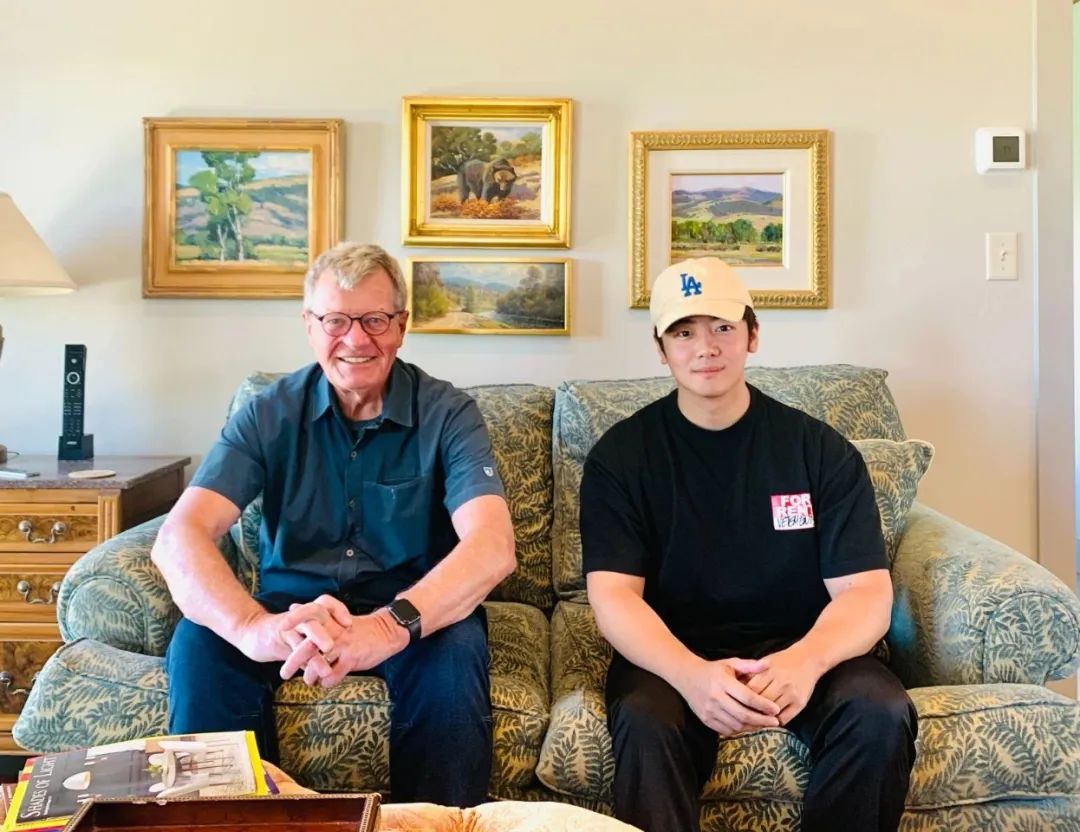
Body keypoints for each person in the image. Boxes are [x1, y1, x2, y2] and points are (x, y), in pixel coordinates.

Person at [153, 242, 516, 807]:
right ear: (309, 325)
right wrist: (251, 627)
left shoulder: (448, 413)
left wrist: (387, 628)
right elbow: (180, 535)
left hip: (413, 611)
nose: (356, 339)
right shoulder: (267, 412)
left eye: (375, 320)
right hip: (289, 609)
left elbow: (492, 545)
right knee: (200, 643)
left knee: (455, 651)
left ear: (401, 326)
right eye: (336, 321)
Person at [580, 257, 917, 832]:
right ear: (661, 349)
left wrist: (804, 662)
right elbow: (613, 596)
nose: (705, 347)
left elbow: (865, 591)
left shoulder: (818, 450)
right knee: (644, 721)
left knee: (880, 712)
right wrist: (692, 676)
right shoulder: (622, 456)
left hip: (802, 643)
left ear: (752, 335)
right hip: (675, 652)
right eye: (683, 333)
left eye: (722, 327)